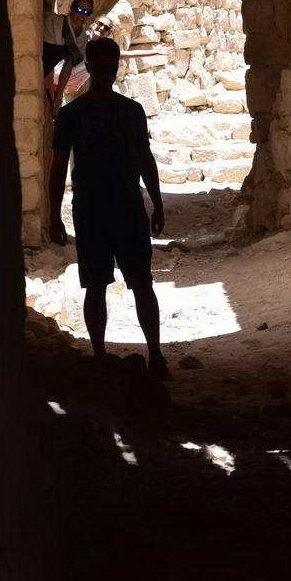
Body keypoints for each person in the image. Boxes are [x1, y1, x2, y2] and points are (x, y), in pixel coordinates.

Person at [49, 36, 171, 379]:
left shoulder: (131, 111)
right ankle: (100, 353)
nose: (104, 74)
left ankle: (156, 353)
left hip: (127, 208)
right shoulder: (72, 115)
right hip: (91, 210)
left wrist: (157, 202)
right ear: (88, 67)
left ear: (117, 68)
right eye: (99, 68)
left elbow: (144, 158)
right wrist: (53, 213)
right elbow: (58, 165)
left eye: (109, 68)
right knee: (95, 285)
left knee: (141, 282)